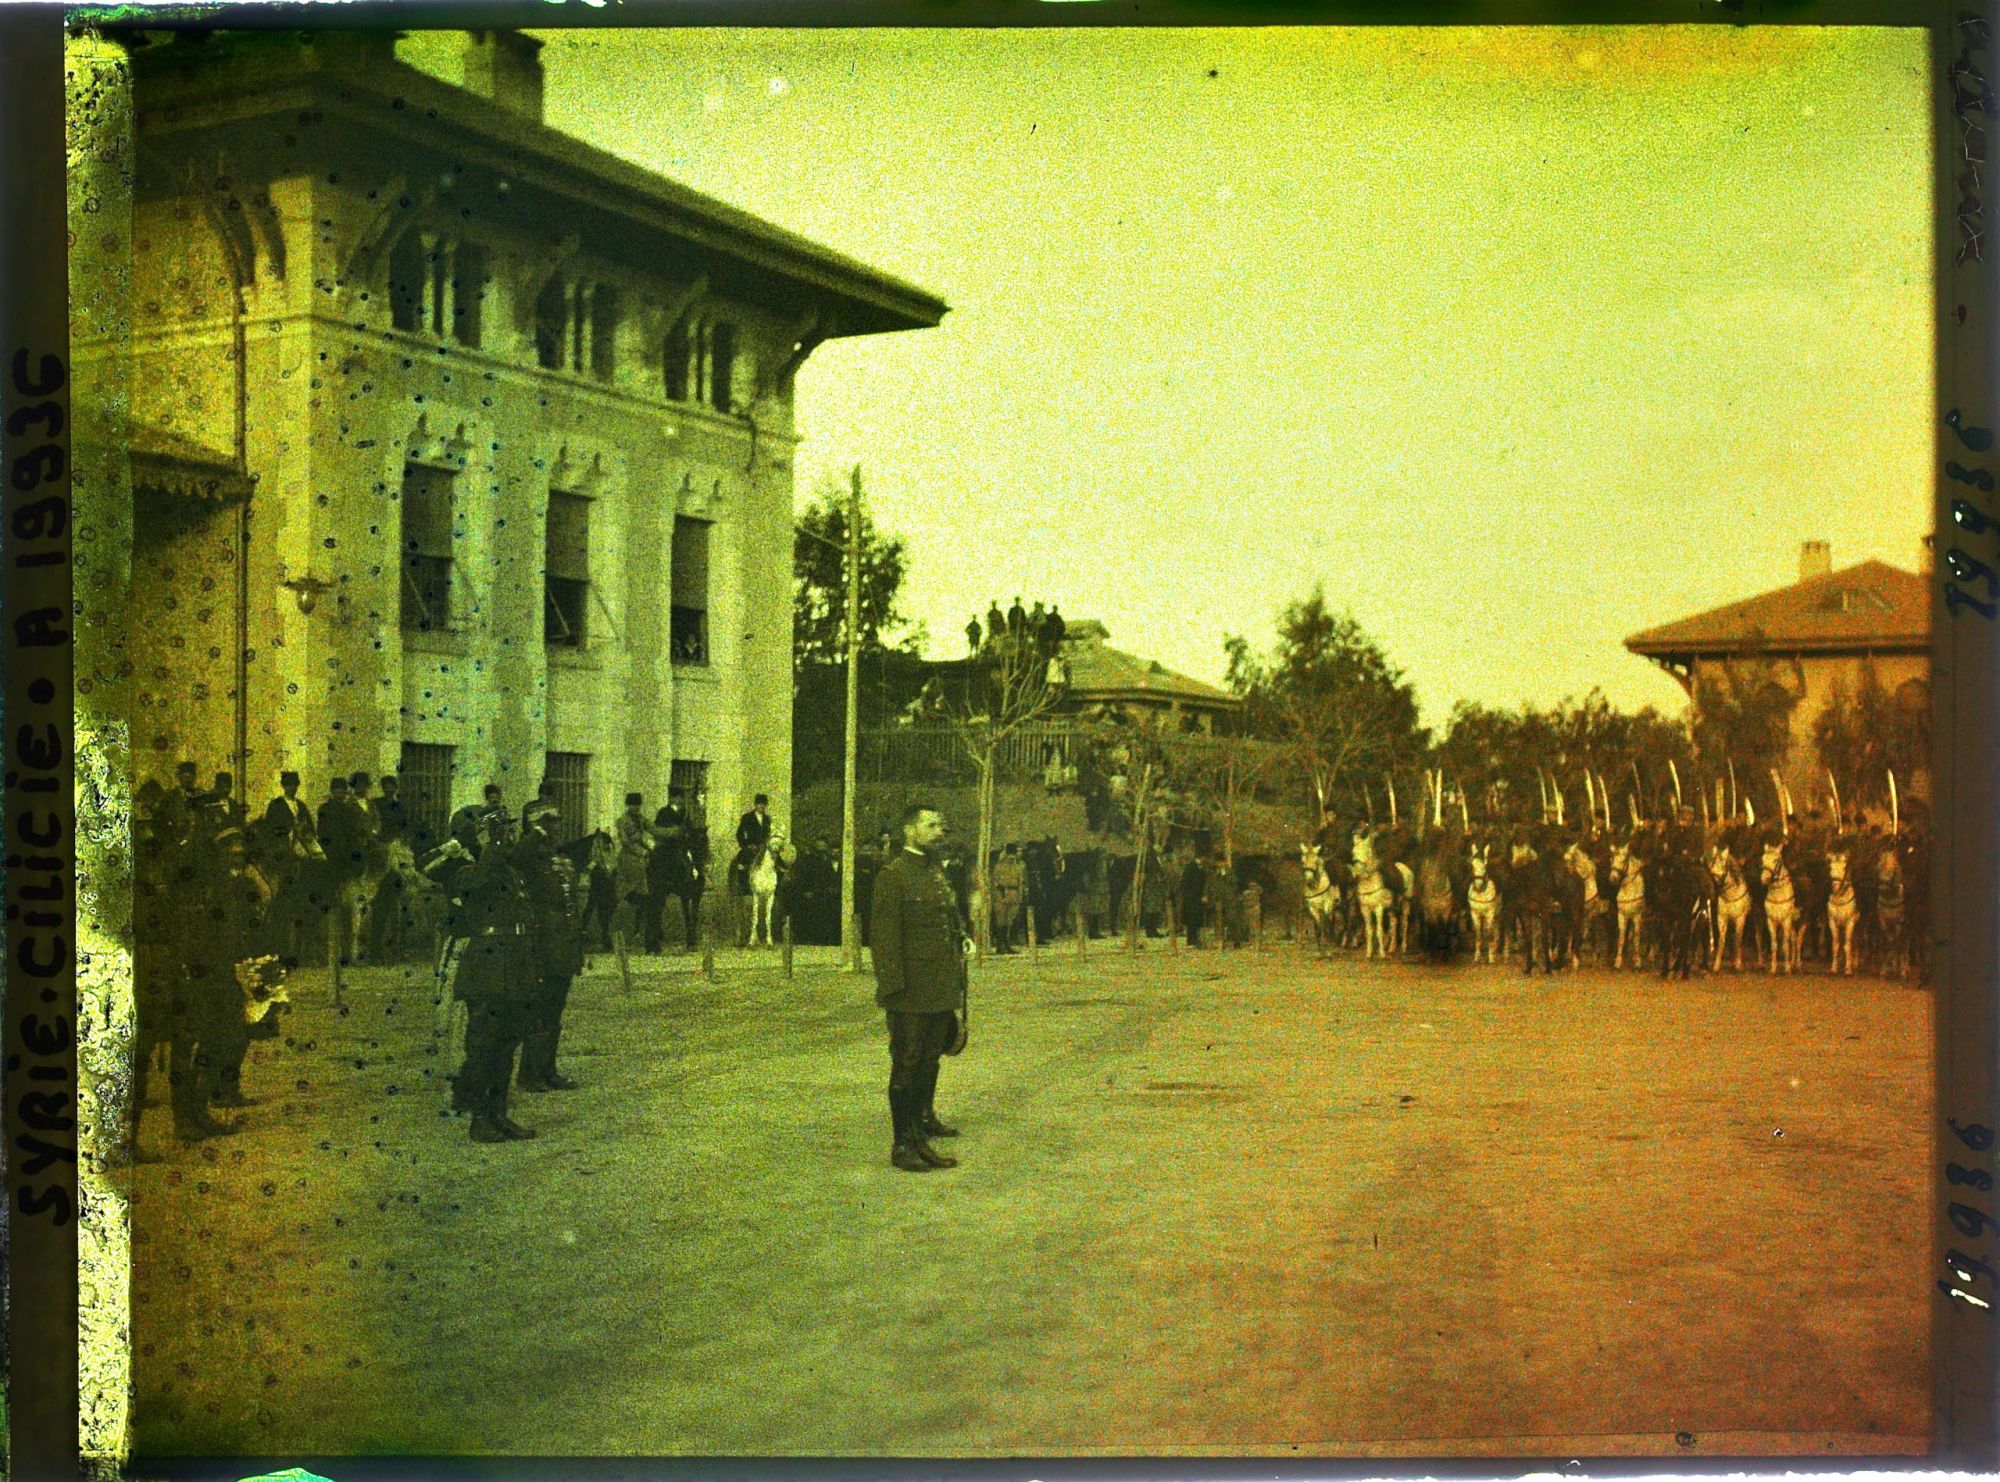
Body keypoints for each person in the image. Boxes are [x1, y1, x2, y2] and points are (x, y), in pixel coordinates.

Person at [869, 803, 967, 1173]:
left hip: (939, 985)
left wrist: (962, 943)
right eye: (932, 825)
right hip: (910, 991)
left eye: (940, 824)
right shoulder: (893, 875)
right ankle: (902, 1144)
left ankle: (920, 1132)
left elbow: (945, 922)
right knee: (907, 1063)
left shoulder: (934, 871)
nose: (940, 830)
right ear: (910, 831)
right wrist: (893, 991)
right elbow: (883, 938)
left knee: (928, 1059)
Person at [448, 809, 539, 1143]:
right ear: (484, 838)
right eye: (501, 832)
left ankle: (499, 1113)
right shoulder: (467, 871)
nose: (509, 838)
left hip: (513, 964)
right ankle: (479, 1118)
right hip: (486, 967)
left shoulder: (511, 873)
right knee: (483, 1045)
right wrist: (491, 850)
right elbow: (477, 885)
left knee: (507, 1044)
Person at [517, 799, 586, 1093]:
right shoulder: (529, 858)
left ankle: (548, 1069)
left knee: (555, 1010)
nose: (558, 826)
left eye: (557, 821)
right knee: (540, 1011)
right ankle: (529, 1074)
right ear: (538, 826)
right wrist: (536, 835)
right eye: (551, 822)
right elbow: (518, 855)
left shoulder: (560, 859)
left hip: (563, 945)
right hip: (541, 946)